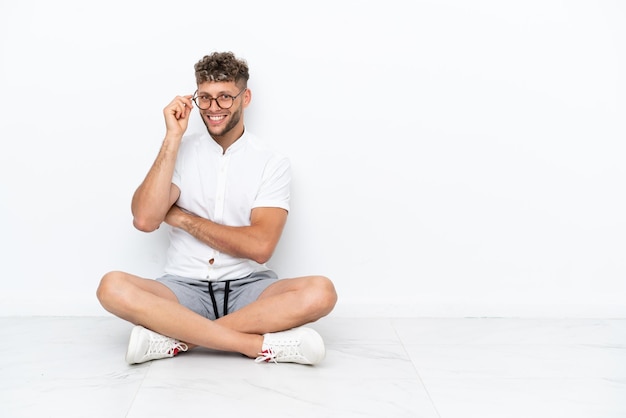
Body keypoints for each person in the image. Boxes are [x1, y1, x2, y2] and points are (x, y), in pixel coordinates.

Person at [96, 51, 337, 366]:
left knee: (321, 292)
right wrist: (172, 137)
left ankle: (178, 340)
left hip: (248, 290)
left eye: (225, 97)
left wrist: (182, 218)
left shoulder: (271, 162)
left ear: (244, 97)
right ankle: (254, 345)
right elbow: (144, 218)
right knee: (111, 286)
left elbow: (260, 247)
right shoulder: (180, 152)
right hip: (182, 288)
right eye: (205, 98)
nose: (213, 108)